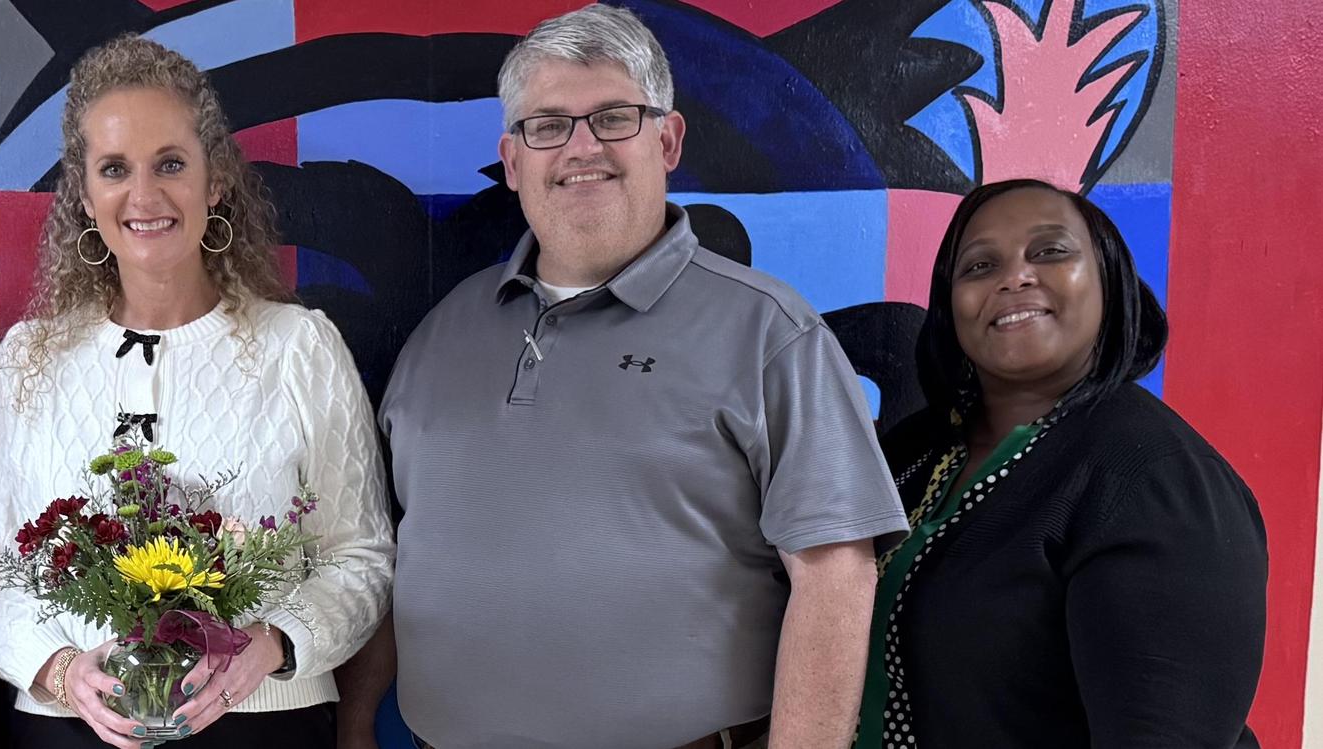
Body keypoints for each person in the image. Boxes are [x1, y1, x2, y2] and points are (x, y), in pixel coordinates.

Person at [365, 5, 909, 748]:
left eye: (614, 118)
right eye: (548, 125)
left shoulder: (769, 332)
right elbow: (393, 554)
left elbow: (836, 574)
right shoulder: (444, 330)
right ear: (514, 160)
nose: (582, 146)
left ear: (668, 139)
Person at [0, 34, 395, 749]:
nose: (144, 195)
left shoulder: (300, 348)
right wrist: (60, 672)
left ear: (214, 181)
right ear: (84, 193)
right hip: (71, 731)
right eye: (114, 169)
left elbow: (361, 554)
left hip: (266, 726)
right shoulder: (27, 361)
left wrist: (273, 643)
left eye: (171, 164)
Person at [857, 179, 1267, 748]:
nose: (1014, 278)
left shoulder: (1157, 480)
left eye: (1050, 251)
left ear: (1109, 280)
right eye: (979, 266)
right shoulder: (916, 448)